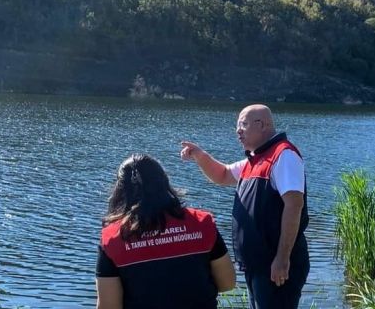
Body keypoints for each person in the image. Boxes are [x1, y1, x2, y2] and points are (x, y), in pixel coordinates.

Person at [180, 104, 309, 309]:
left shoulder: (283, 155)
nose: (238, 130)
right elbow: (221, 175)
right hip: (258, 265)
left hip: (276, 265)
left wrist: (282, 259)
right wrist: (199, 155)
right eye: (237, 126)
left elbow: (294, 206)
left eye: (243, 124)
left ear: (263, 125)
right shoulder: (255, 159)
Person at [95, 154, 235, 309]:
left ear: (120, 191)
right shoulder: (202, 223)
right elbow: (227, 283)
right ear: (164, 183)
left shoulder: (113, 239)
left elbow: (109, 306)